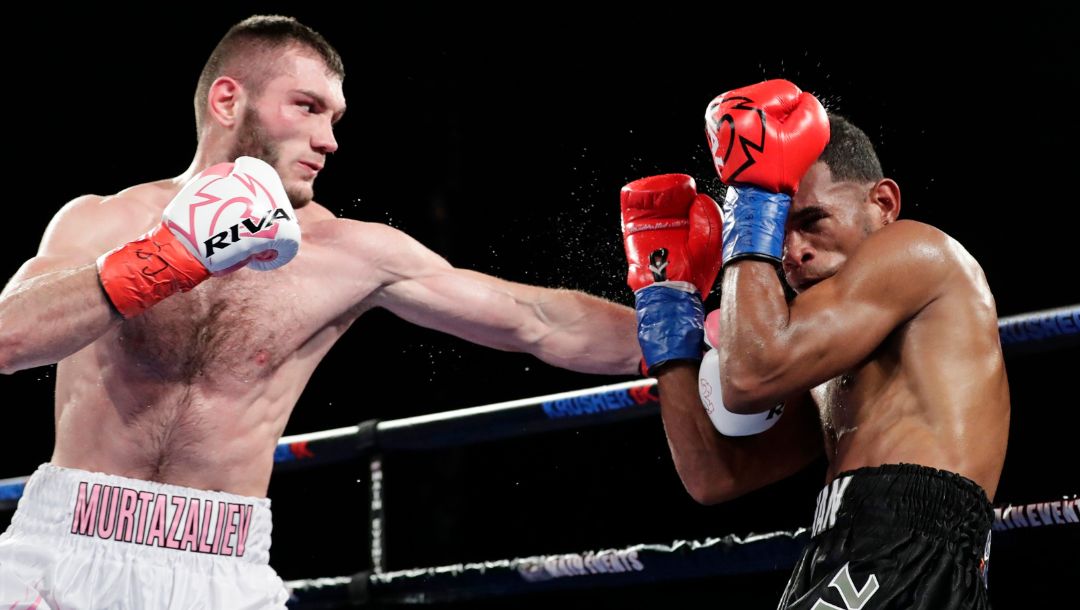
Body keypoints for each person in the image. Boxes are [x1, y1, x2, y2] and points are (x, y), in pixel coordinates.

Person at [0, 15, 641, 609]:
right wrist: (168, 255)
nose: (328, 140)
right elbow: (8, 339)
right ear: (228, 101)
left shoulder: (351, 253)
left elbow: (537, 320)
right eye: (306, 107)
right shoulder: (104, 221)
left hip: (220, 569)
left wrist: (679, 331)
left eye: (335, 118)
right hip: (63, 547)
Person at [621, 79, 1009, 609]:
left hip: (906, 548)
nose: (792, 253)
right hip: (843, 549)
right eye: (777, 233)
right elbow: (713, 475)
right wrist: (667, 308)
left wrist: (754, 202)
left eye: (811, 221)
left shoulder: (919, 249)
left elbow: (749, 377)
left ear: (883, 203)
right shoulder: (830, 352)